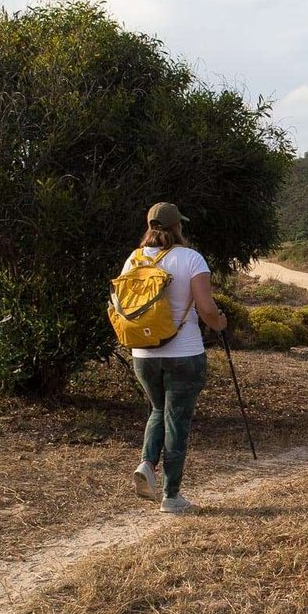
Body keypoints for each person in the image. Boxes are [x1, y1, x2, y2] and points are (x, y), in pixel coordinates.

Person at [123, 201, 227, 512]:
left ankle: (146, 463)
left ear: (150, 227)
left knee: (158, 409)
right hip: (184, 353)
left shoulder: (134, 259)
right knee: (177, 421)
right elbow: (206, 309)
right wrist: (220, 323)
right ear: (177, 227)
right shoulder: (191, 258)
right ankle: (171, 497)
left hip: (143, 352)